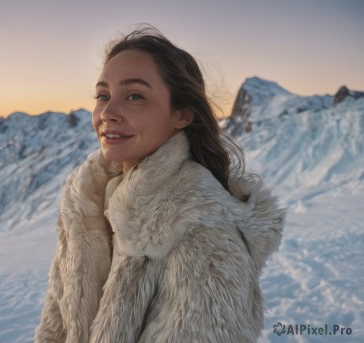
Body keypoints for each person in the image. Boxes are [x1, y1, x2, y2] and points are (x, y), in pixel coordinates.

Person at [35, 25, 285, 343]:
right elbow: (57, 326)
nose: (108, 112)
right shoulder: (87, 205)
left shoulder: (202, 235)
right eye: (102, 96)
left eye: (135, 96)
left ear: (181, 115)